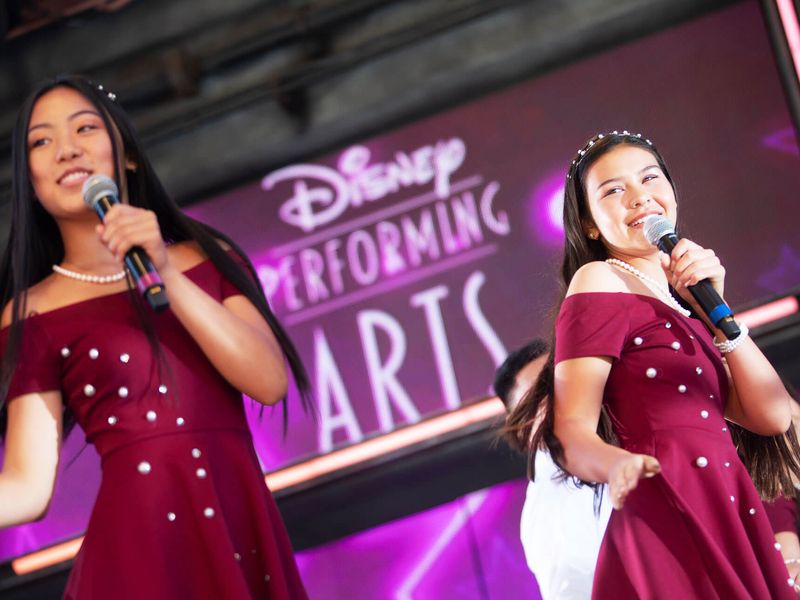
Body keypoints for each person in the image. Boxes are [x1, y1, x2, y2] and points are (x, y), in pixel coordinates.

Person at [0, 75, 311, 599]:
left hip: (239, 525)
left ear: (128, 158)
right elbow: (29, 488)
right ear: (30, 183)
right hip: (136, 555)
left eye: (85, 128)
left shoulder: (206, 256)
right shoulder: (33, 313)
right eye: (41, 141)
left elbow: (268, 380)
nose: (66, 149)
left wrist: (162, 269)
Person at [505, 130, 800, 599]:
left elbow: (772, 416)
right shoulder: (598, 278)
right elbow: (571, 430)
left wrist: (717, 310)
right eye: (614, 190)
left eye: (649, 178)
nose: (639, 198)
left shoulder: (683, 301)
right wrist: (616, 465)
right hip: (670, 499)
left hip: (726, 499)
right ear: (589, 225)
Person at [495, 339, 611, 599]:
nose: (560, 396)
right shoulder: (545, 513)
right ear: (522, 429)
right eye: (541, 397)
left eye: (562, 378)